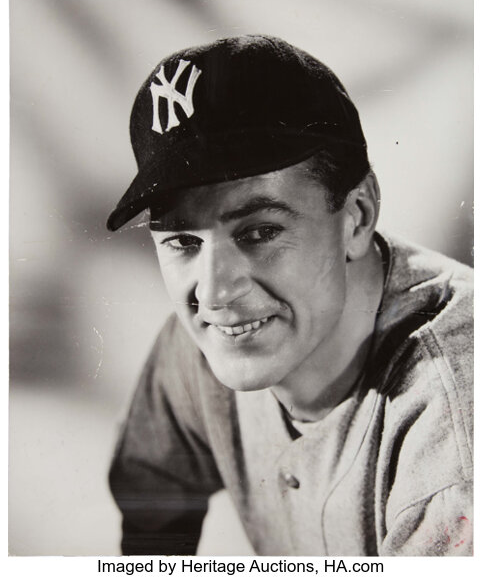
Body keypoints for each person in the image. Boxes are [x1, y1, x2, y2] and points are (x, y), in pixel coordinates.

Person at [106, 35, 473, 556]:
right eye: (183, 241)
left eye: (259, 232)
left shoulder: (456, 426)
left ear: (357, 216)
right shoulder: (205, 341)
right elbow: (150, 516)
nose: (213, 291)